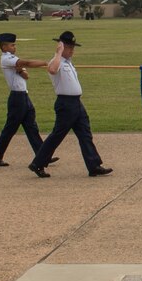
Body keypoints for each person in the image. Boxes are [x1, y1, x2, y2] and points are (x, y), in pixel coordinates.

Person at [29, 31, 112, 179]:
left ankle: (94, 165)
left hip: (76, 102)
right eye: (69, 47)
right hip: (65, 104)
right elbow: (52, 70)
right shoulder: (57, 61)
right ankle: (38, 163)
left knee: (85, 134)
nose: (72, 50)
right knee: (57, 135)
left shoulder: (68, 63)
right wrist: (58, 53)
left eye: (72, 48)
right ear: (61, 46)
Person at [0, 32, 48, 168]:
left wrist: (20, 71)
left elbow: (26, 76)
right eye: (12, 45)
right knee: (10, 129)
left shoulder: (14, 59)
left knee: (31, 127)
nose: (15, 47)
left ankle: (43, 154)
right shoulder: (6, 59)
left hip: (24, 95)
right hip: (16, 98)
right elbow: (26, 63)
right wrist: (45, 63)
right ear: (4, 47)